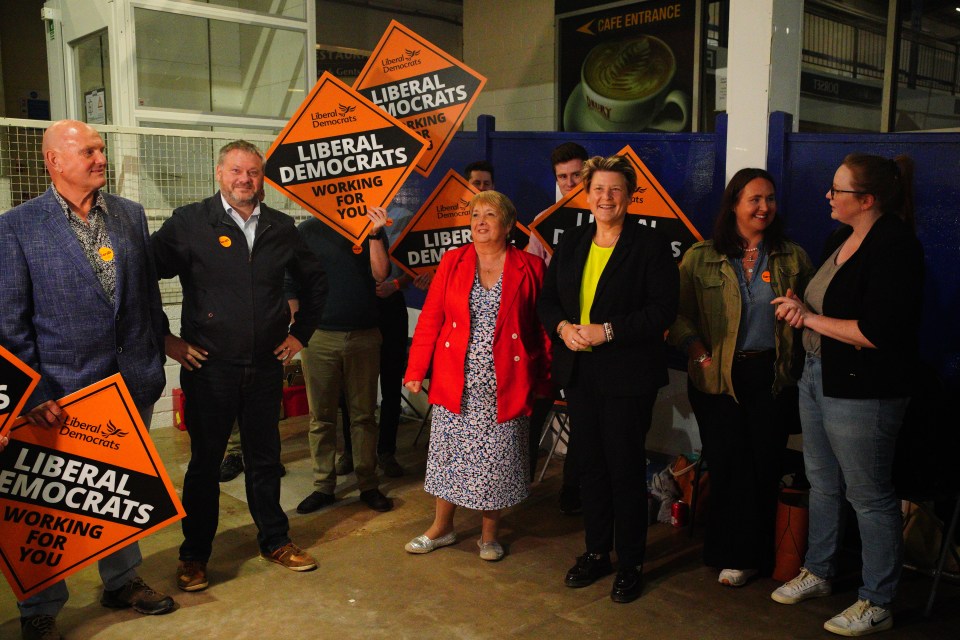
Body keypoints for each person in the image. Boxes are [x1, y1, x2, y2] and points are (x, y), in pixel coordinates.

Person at [0, 119, 175, 640]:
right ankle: (41, 604)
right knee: (49, 502)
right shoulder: (17, 227)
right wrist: (32, 396)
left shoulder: (129, 216)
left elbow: (143, 298)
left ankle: (121, 580)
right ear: (54, 161)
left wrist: (159, 354)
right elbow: (9, 322)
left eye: (101, 149)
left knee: (118, 490)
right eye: (89, 151)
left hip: (130, 383)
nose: (101, 158)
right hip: (58, 394)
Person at [151, 140, 327, 592]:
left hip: (266, 367)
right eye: (235, 171)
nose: (244, 179)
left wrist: (299, 335)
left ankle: (275, 540)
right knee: (205, 465)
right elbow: (140, 274)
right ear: (219, 173)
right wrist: (165, 338)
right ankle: (194, 556)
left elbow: (316, 282)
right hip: (210, 368)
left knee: (265, 460)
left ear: (262, 177)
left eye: (252, 172)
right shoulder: (190, 222)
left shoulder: (282, 227)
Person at [770, 154, 923, 637]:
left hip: (864, 389)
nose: (828, 197)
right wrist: (801, 306)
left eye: (838, 190)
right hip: (818, 375)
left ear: (867, 200)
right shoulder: (842, 237)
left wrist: (807, 319)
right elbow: (826, 303)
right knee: (823, 480)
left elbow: (877, 332)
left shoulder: (896, 247)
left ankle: (877, 601)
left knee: (869, 494)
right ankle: (819, 569)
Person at [538, 154, 678, 603]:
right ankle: (597, 552)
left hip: (627, 376)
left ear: (630, 196)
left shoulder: (649, 246)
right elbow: (547, 303)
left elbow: (661, 310)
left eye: (615, 190)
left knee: (622, 468)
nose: (606, 197)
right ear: (585, 194)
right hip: (579, 371)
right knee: (589, 468)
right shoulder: (574, 241)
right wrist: (562, 329)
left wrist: (608, 331)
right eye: (598, 189)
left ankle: (631, 562)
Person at [668, 168, 813, 588]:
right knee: (729, 465)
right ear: (734, 203)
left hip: (771, 375)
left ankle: (754, 556)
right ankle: (726, 552)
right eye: (754, 199)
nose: (764, 207)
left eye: (769, 199)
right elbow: (677, 314)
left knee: (762, 466)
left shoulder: (792, 256)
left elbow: (810, 314)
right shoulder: (702, 255)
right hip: (716, 376)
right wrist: (694, 347)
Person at [402, 190, 551, 562]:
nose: (480, 222)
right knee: (448, 457)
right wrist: (416, 370)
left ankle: (489, 534)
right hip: (457, 382)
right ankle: (442, 527)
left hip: (506, 384)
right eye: (475, 216)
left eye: (489, 215)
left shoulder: (530, 267)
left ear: (508, 224)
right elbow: (432, 320)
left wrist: (546, 376)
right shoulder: (452, 261)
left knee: (496, 462)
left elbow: (542, 328)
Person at [292, 207, 394, 515]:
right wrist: (299, 327)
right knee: (321, 416)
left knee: (363, 415)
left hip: (364, 334)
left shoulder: (370, 228)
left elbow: (381, 273)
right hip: (320, 336)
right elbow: (290, 280)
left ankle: (368, 483)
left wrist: (375, 233)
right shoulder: (307, 230)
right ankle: (324, 485)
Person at [526, 141, 589, 513]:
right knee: (534, 410)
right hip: (551, 335)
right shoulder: (545, 221)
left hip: (591, 335)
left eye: (576, 175)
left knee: (583, 416)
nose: (569, 183)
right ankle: (518, 483)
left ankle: (573, 490)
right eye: (562, 177)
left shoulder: (607, 219)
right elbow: (534, 280)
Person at [338, 204, 417, 479]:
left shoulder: (403, 215)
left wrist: (395, 285)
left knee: (392, 381)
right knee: (351, 385)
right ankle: (351, 451)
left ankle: (386, 452)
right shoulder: (341, 212)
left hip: (391, 307)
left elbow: (417, 266)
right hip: (356, 307)